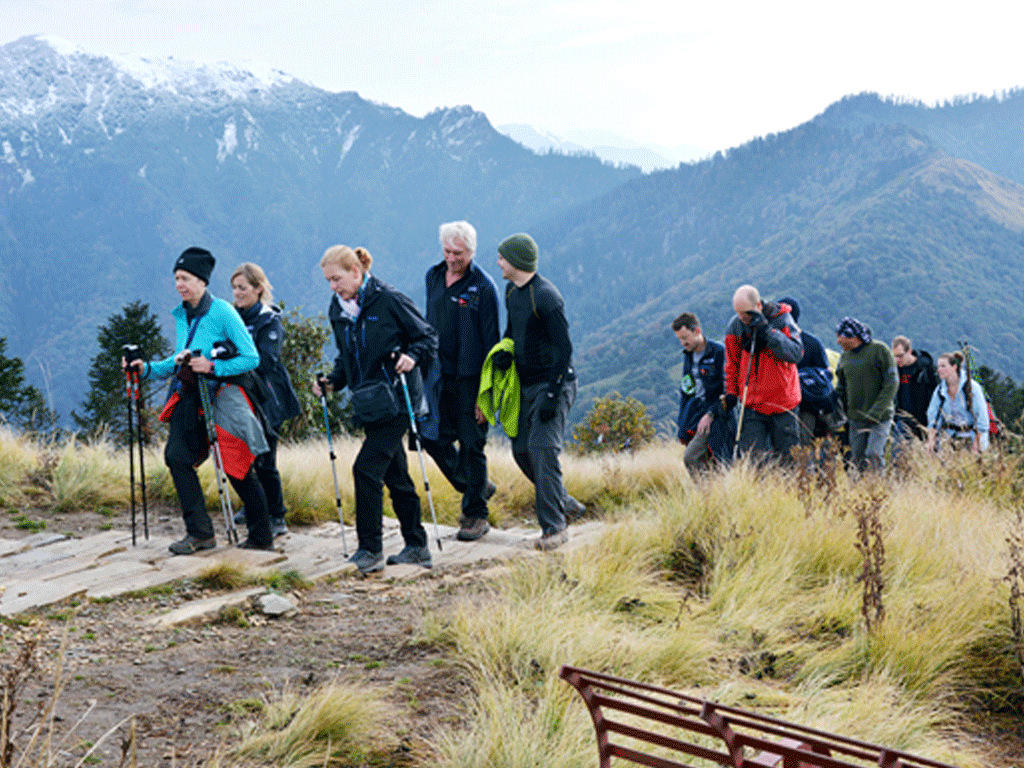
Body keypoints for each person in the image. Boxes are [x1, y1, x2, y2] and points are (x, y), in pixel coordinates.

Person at [131, 247, 274, 554]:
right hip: (191, 395)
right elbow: (181, 357)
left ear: (202, 281)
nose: (179, 284)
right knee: (177, 457)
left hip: (222, 395)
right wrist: (147, 369)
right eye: (177, 279)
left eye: (186, 278)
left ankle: (262, 536)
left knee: (236, 465)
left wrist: (213, 367)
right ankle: (200, 534)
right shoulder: (184, 314)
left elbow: (251, 357)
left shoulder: (222, 311)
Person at [313, 245, 439, 574]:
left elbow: (426, 338)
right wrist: (332, 382)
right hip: (369, 402)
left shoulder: (389, 299)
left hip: (398, 399)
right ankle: (417, 545)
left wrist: (413, 357)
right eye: (328, 280)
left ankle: (370, 550)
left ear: (356, 272)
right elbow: (346, 356)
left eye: (336, 278)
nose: (332, 286)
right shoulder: (337, 308)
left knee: (365, 469)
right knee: (396, 474)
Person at [495, 233, 584, 550]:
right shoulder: (512, 292)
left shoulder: (546, 297)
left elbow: (564, 349)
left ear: (516, 261)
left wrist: (552, 395)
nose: (498, 262)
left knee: (544, 451)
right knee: (521, 451)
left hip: (554, 384)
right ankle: (565, 503)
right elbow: (512, 330)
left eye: (502, 257)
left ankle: (555, 528)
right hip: (525, 384)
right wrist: (506, 351)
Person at [423, 221, 500, 542]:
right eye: (448, 251)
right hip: (438, 374)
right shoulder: (433, 276)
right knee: (432, 438)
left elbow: (492, 343)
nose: (452, 257)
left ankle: (476, 515)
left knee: (472, 444)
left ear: (472, 252)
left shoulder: (483, 288)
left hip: (471, 379)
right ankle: (476, 485)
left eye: (459, 252)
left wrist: (486, 395)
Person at [231, 263, 301, 538]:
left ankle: (277, 515)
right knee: (242, 454)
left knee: (265, 459)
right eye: (234, 287)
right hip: (241, 395)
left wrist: (231, 358)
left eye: (242, 288)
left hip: (269, 398)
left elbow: (266, 360)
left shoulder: (269, 319)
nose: (237, 293)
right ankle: (252, 506)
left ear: (258, 289)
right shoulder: (232, 316)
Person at [723, 285, 803, 463]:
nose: (742, 317)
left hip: (784, 404)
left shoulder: (782, 319)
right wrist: (731, 393)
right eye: (738, 312)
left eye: (746, 312)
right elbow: (732, 364)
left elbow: (795, 354)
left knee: (788, 461)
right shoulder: (735, 326)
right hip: (751, 404)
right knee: (754, 462)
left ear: (758, 305)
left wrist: (768, 332)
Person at [834, 317, 898, 472]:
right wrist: (838, 411)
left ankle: (877, 489)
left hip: (880, 417)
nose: (837, 342)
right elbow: (841, 388)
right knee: (856, 457)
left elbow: (892, 383)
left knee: (873, 454)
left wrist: (876, 411)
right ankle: (859, 491)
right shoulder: (845, 357)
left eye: (840, 337)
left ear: (853, 337)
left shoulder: (879, 350)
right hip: (855, 417)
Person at [778, 296, 839, 444]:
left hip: (800, 408)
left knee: (800, 446)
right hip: (815, 405)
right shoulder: (813, 342)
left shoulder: (778, 344)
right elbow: (827, 374)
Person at [672, 311, 726, 472]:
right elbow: (686, 390)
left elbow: (727, 390)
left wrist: (710, 414)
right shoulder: (688, 356)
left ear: (697, 331)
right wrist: (681, 423)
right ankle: (711, 494)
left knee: (691, 457)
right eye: (679, 339)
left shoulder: (719, 352)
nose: (683, 342)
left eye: (685, 337)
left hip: (717, 416)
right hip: (695, 413)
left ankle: (705, 492)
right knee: (708, 461)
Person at [926, 351, 990, 453]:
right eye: (938, 366)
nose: (939, 370)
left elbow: (982, 420)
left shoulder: (972, 388)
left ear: (954, 367)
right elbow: (933, 417)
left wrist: (976, 446)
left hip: (973, 437)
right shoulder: (940, 390)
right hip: (951, 437)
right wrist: (931, 441)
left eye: (943, 366)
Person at [891, 336, 938, 441]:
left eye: (900, 356)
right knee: (898, 455)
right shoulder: (895, 370)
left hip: (925, 421)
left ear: (909, 352)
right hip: (903, 420)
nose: (897, 359)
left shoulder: (925, 368)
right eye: (894, 356)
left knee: (929, 455)